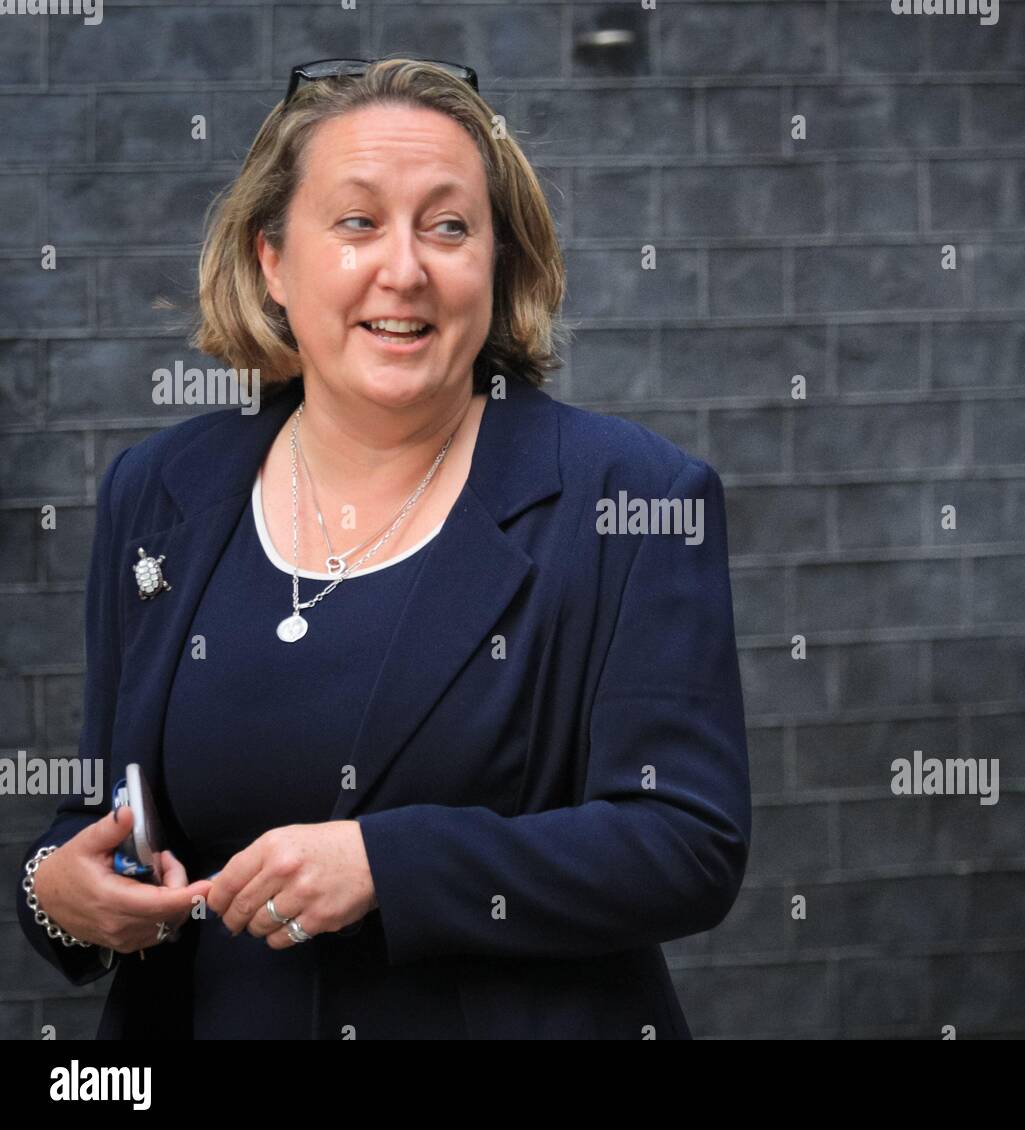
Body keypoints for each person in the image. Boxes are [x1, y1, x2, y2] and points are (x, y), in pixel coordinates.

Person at [15, 57, 750, 1039]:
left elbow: (686, 844)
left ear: (497, 262)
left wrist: (386, 864)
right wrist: (54, 887)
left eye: (448, 226)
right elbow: (109, 808)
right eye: (356, 222)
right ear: (273, 259)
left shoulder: (630, 497)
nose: (403, 268)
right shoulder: (159, 491)